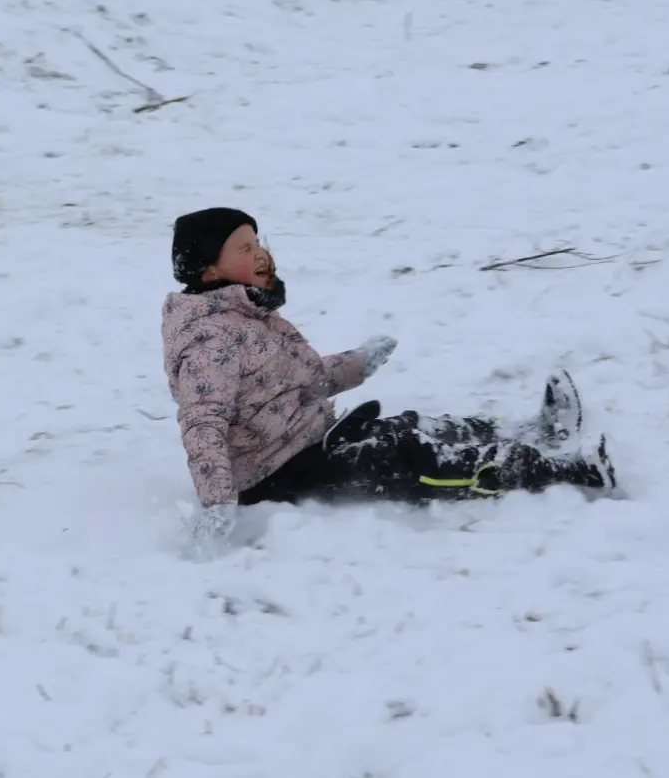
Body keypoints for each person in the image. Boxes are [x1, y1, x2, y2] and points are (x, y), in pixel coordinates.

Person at [161, 208, 617, 560]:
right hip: (276, 473)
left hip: (312, 440)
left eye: (258, 241)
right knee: (412, 456)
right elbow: (202, 422)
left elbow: (305, 379)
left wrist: (357, 363)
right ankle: (567, 470)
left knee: (416, 425)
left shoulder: (246, 315)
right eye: (244, 248)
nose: (260, 253)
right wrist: (217, 504)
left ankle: (532, 432)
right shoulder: (209, 339)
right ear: (210, 271)